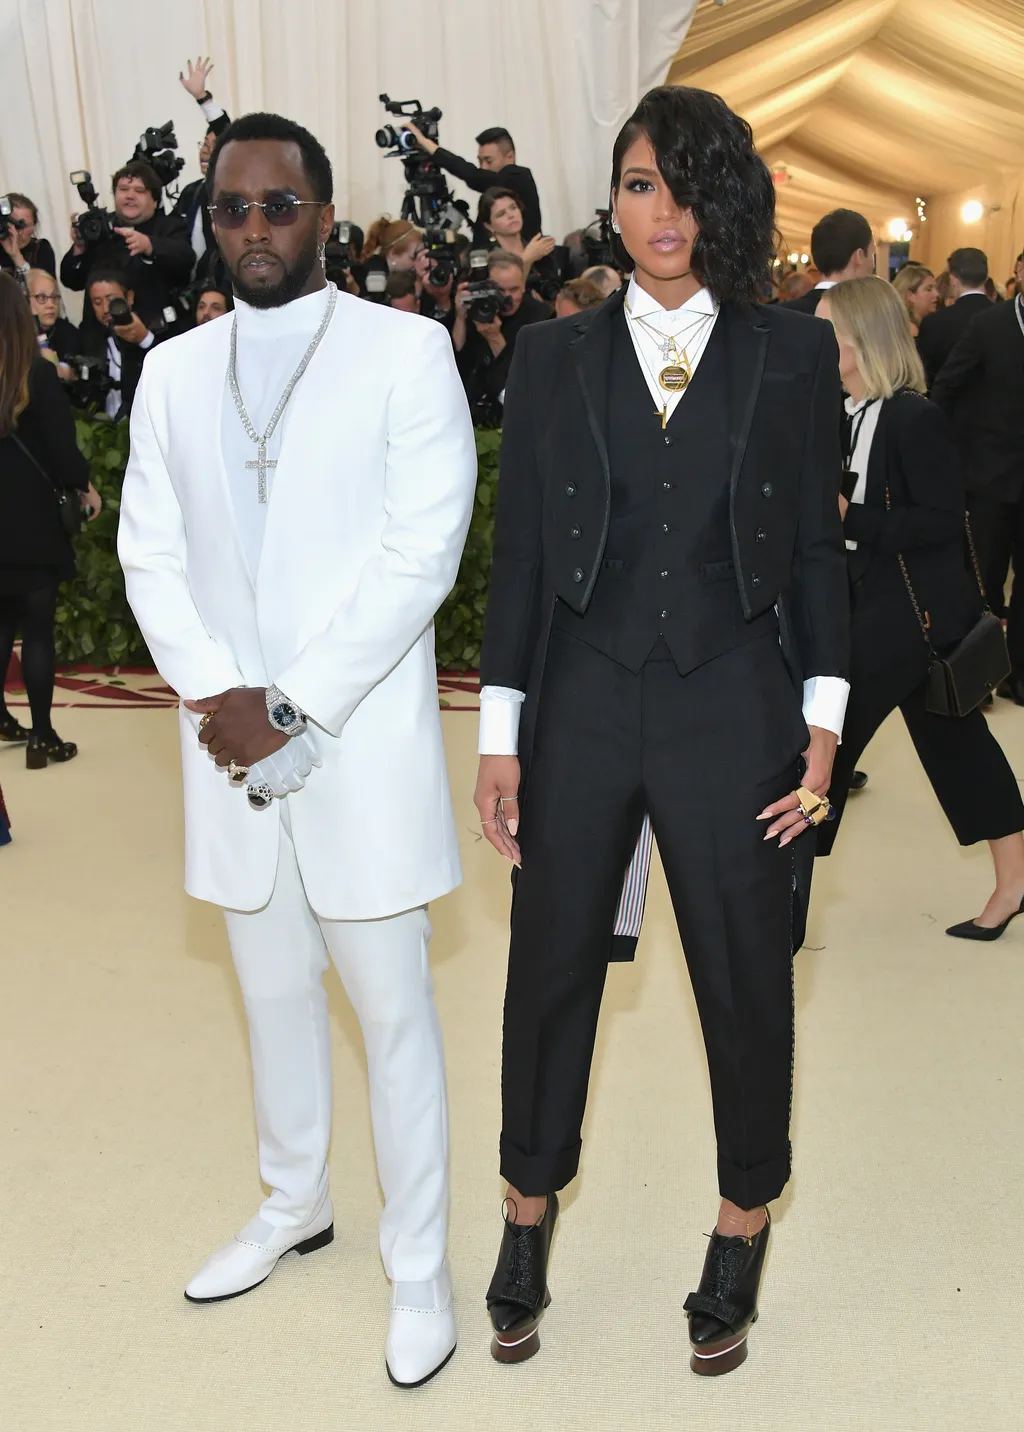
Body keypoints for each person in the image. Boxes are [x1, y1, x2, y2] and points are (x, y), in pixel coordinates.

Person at [473, 85, 849, 1377]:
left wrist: (824, 726)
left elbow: (814, 549)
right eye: (639, 183)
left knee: (746, 977)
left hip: (734, 696)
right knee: (550, 965)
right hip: (582, 697)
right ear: (616, 199)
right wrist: (501, 734)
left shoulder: (791, 354)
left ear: (721, 201)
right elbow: (521, 558)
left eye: (685, 186)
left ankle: (742, 1222)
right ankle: (527, 1213)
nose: (662, 212)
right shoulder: (553, 355)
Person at [117, 110, 476, 1389]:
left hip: (355, 748)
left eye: (277, 207)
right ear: (206, 221)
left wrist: (296, 700)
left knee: (391, 1016)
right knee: (270, 999)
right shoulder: (172, 369)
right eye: (231, 210)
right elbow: (149, 551)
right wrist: (221, 695)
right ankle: (292, 1201)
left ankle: (420, 1264)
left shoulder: (405, 349)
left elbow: (419, 552)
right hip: (228, 757)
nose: (253, 230)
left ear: (325, 213)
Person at [814, 276, 1024, 934]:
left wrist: (853, 518)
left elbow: (938, 521)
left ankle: (778, 898)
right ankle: (1016, 883)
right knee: (961, 750)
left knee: (819, 750)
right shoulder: (839, 413)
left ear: (859, 342)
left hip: (907, 620)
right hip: (870, 609)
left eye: (827, 332)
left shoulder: (912, 417)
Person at [0, 273, 99, 767]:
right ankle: (42, 736)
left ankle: (1, 716)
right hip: (32, 523)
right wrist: (84, 486)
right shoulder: (36, 374)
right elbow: (63, 452)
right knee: (37, 630)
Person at [931, 248, 1024, 703]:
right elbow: (948, 385)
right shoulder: (990, 323)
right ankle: (981, 675)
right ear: (1018, 271)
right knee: (984, 577)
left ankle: (1019, 673)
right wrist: (947, 452)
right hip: (990, 476)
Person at [59, 160, 194, 333]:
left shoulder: (170, 227)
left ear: (154, 200)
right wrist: (79, 248)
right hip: (101, 338)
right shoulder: (100, 226)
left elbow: (186, 259)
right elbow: (71, 281)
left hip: (151, 333)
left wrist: (149, 246)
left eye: (139, 191)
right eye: (123, 189)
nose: (130, 196)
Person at [404, 121, 542, 243]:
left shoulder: (519, 176)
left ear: (510, 157)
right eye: (480, 161)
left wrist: (424, 142)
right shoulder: (493, 190)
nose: (483, 167)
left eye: (489, 161)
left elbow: (473, 175)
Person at [452, 251, 549, 413]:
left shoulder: (540, 316)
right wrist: (460, 317)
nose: (508, 298)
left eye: (514, 290)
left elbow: (524, 377)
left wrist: (494, 338)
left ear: (524, 285)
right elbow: (456, 359)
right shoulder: (476, 306)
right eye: (500, 290)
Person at [172, 57, 233, 278]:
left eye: (214, 146)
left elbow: (228, 132)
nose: (206, 152)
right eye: (204, 145)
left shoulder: (234, 193)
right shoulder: (192, 191)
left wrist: (203, 98)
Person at [80, 269, 164, 419]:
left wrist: (144, 338)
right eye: (97, 302)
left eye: (111, 300)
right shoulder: (90, 339)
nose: (105, 309)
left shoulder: (155, 325)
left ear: (129, 297)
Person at [916, 247, 990, 386]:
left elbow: (923, 375)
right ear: (986, 277)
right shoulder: (1006, 317)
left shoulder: (935, 322)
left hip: (945, 405)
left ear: (953, 279)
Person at [781, 209, 876, 314]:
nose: (873, 264)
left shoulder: (781, 315)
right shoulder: (869, 316)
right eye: (872, 254)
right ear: (859, 256)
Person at [477, 188, 555, 281]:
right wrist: (526, 259)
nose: (511, 215)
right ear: (489, 226)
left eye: (513, 208)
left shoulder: (537, 245)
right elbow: (509, 290)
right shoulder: (485, 258)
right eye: (501, 214)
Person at [26, 269, 80, 370]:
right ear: (25, 300)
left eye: (54, 297)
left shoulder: (70, 333)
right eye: (42, 297)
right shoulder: (14, 334)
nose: (51, 305)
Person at [0, 193, 56, 278]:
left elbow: (40, 289)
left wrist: (16, 256)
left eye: (24, 226)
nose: (18, 232)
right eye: (13, 225)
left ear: (34, 225)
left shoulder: (41, 249)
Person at [891, 262, 939, 337]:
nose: (936, 294)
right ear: (910, 296)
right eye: (929, 289)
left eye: (935, 288)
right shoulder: (910, 330)